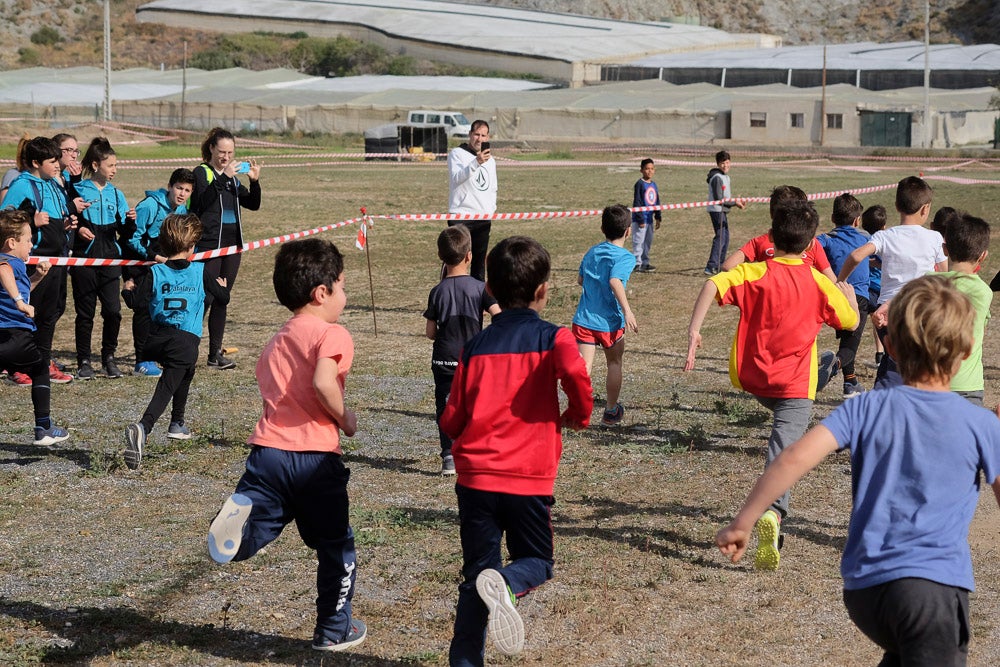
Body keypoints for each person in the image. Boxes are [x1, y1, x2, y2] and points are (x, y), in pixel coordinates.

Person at [716, 275, 1000, 666]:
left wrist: (743, 521)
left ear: (892, 346)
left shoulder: (863, 407)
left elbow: (794, 457)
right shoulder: (980, 424)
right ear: (967, 351)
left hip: (864, 591)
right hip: (931, 589)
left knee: (903, 652)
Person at [206, 237, 366, 653]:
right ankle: (334, 629)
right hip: (315, 460)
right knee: (336, 546)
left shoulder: (276, 340)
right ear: (322, 292)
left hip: (269, 455)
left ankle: (236, 536)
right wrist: (345, 418)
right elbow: (322, 383)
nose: (345, 296)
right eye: (343, 287)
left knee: (264, 521)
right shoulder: (331, 335)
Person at [441, 236, 592, 666]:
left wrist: (459, 431)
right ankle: (507, 586)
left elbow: (452, 418)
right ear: (543, 290)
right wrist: (577, 414)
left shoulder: (475, 347)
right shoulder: (555, 337)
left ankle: (465, 661)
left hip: (475, 481)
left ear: (490, 288)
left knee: (476, 578)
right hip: (527, 478)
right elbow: (576, 377)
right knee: (538, 562)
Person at [685, 199, 858, 570]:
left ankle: (825, 367)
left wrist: (695, 329)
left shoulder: (755, 273)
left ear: (772, 237)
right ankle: (773, 516)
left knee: (819, 369)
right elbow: (848, 322)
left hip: (756, 379)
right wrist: (852, 301)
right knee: (783, 455)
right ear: (811, 243)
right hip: (794, 387)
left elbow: (713, 284)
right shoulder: (817, 281)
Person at [122, 214, 230, 470]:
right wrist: (222, 286)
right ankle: (144, 427)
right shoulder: (200, 271)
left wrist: (127, 289)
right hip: (185, 340)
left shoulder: (154, 272)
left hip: (156, 339)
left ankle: (177, 424)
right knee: (168, 383)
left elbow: (136, 303)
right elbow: (223, 298)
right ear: (192, 247)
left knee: (186, 370)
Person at [837, 176, 946, 387]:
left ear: (897, 206)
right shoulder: (934, 238)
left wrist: (840, 281)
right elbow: (945, 274)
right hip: (920, 309)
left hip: (886, 313)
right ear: (926, 209)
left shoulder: (884, 236)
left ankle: (882, 401)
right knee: (915, 366)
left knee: (893, 361)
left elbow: (856, 256)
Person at [423, 225, 499, 476]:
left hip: (444, 361)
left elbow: (430, 332)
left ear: (440, 257)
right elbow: (499, 317)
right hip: (473, 361)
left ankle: (448, 456)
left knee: (445, 406)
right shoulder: (480, 288)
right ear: (470, 256)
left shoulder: (437, 292)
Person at [3, 136, 77, 386]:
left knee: (50, 313)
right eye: (52, 161)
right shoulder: (22, 185)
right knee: (26, 315)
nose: (58, 165)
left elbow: (56, 217)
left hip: (56, 260)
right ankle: (18, 367)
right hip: (31, 262)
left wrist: (67, 225)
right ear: (36, 162)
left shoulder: (54, 184)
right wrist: (31, 224)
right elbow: (5, 221)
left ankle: (42, 363)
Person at [189, 127, 261, 370]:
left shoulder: (232, 177)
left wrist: (254, 181)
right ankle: (187, 350)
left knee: (222, 298)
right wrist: (223, 177)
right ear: (211, 148)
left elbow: (252, 204)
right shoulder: (202, 173)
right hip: (209, 245)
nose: (226, 157)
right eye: (221, 152)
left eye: (230, 152)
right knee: (205, 298)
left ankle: (214, 355)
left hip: (232, 245)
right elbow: (200, 203)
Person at [0, 209, 69, 445]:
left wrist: (37, 278)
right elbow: (4, 272)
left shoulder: (17, 264)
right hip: (14, 335)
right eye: (28, 239)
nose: (31, 244)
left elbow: (20, 289)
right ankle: (44, 427)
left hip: (5, 338)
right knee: (40, 367)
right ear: (11, 242)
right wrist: (19, 302)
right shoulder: (7, 261)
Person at [68, 137, 135, 380]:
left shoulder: (117, 194)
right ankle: (83, 360)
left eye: (116, 165)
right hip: (84, 261)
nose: (115, 170)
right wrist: (77, 231)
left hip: (110, 262)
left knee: (113, 312)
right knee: (85, 313)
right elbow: (68, 222)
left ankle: (109, 358)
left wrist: (130, 221)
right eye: (111, 165)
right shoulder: (77, 189)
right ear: (96, 165)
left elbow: (126, 235)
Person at [124, 168, 196, 377]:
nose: (182, 194)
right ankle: (142, 361)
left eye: (187, 190)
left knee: (161, 309)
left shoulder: (182, 212)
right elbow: (131, 239)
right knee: (144, 311)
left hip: (163, 265)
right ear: (169, 187)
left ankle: (158, 355)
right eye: (179, 188)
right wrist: (155, 258)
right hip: (141, 263)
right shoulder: (149, 206)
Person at [572, 204, 638, 426]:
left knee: (584, 368)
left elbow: (581, 280)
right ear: (628, 231)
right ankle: (610, 411)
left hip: (584, 319)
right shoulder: (626, 257)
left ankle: (578, 412)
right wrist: (627, 311)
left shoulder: (592, 251)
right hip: (609, 322)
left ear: (602, 228)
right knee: (614, 363)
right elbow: (614, 280)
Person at [721, 185, 838, 283]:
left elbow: (727, 267)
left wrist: (756, 282)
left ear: (772, 214)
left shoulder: (760, 241)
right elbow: (832, 280)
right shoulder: (810, 243)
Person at [935, 213, 992, 406]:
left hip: (931, 383)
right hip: (969, 386)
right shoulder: (984, 292)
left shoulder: (925, 284)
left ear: (945, 249)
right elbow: (981, 330)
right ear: (983, 255)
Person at [817, 193, 870, 399]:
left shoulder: (826, 239)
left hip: (834, 298)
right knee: (850, 345)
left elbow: (809, 248)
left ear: (832, 218)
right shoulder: (866, 239)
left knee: (848, 340)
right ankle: (834, 366)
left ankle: (851, 382)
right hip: (858, 297)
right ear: (857, 220)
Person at [447, 120, 496, 282]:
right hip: (462, 216)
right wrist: (476, 162)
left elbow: (492, 187)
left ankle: (477, 303)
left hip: (482, 217)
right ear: (470, 135)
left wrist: (491, 210)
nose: (479, 139)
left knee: (479, 264)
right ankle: (447, 299)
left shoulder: (491, 161)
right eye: (476, 134)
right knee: (456, 262)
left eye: (483, 135)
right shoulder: (457, 154)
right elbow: (456, 178)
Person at [704, 150, 745, 276]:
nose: (725, 165)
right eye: (722, 163)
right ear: (718, 164)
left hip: (722, 210)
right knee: (721, 236)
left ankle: (719, 264)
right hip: (717, 210)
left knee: (725, 237)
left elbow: (726, 197)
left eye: (727, 162)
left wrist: (735, 201)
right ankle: (711, 266)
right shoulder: (717, 178)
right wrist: (735, 203)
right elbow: (719, 199)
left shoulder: (725, 176)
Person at [860, 205, 887, 367]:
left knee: (873, 320)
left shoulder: (864, 240)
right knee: (880, 321)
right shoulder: (884, 239)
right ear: (883, 226)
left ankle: (880, 354)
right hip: (879, 288)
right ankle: (881, 354)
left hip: (867, 288)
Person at [630, 158, 662, 272]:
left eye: (652, 169)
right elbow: (637, 202)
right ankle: (636, 263)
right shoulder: (639, 184)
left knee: (647, 241)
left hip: (649, 219)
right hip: (641, 219)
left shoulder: (653, 185)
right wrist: (640, 219)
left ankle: (645, 262)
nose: (649, 171)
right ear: (641, 170)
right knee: (638, 241)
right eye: (647, 169)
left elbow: (656, 201)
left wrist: (658, 217)